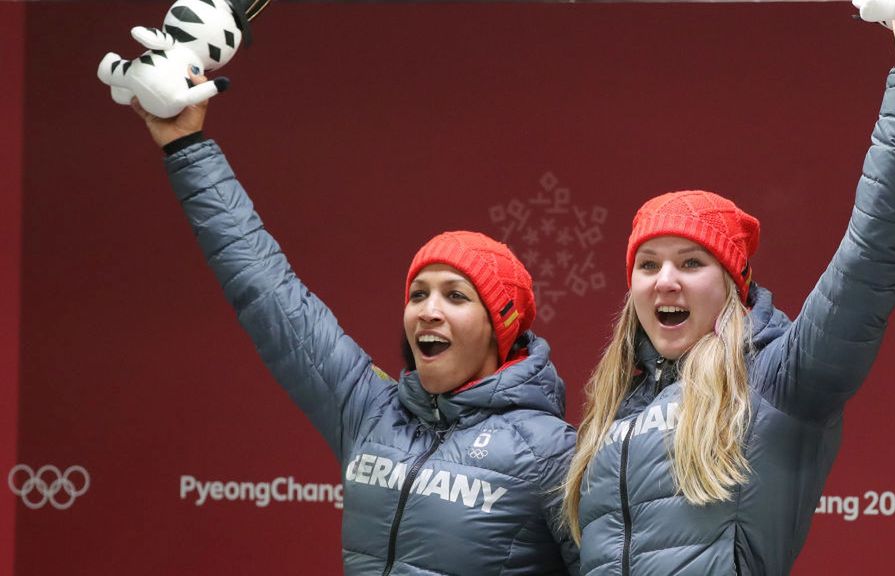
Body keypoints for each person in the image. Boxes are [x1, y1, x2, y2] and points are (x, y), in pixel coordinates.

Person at [562, 16, 895, 576]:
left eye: (691, 263)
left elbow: (873, 251)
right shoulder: (614, 408)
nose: (665, 280)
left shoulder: (775, 378)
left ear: (734, 285)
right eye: (647, 264)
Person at [131, 83, 579, 575]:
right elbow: (266, 290)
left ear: (501, 329)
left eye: (455, 295)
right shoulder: (370, 410)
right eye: (417, 294)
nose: (427, 310)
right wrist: (186, 146)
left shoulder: (550, 452)